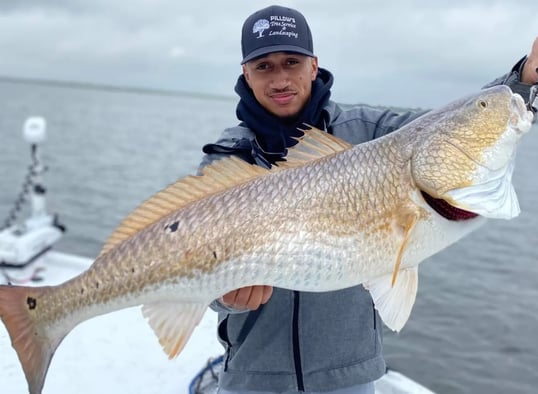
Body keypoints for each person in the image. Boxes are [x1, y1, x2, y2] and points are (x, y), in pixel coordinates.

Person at [199, 5, 538, 394]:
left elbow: (452, 126)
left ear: (313, 65)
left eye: (291, 62)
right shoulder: (228, 155)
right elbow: (197, 269)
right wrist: (225, 297)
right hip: (251, 376)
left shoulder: (371, 130)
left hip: (349, 376)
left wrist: (525, 80)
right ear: (246, 73)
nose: (280, 78)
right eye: (264, 66)